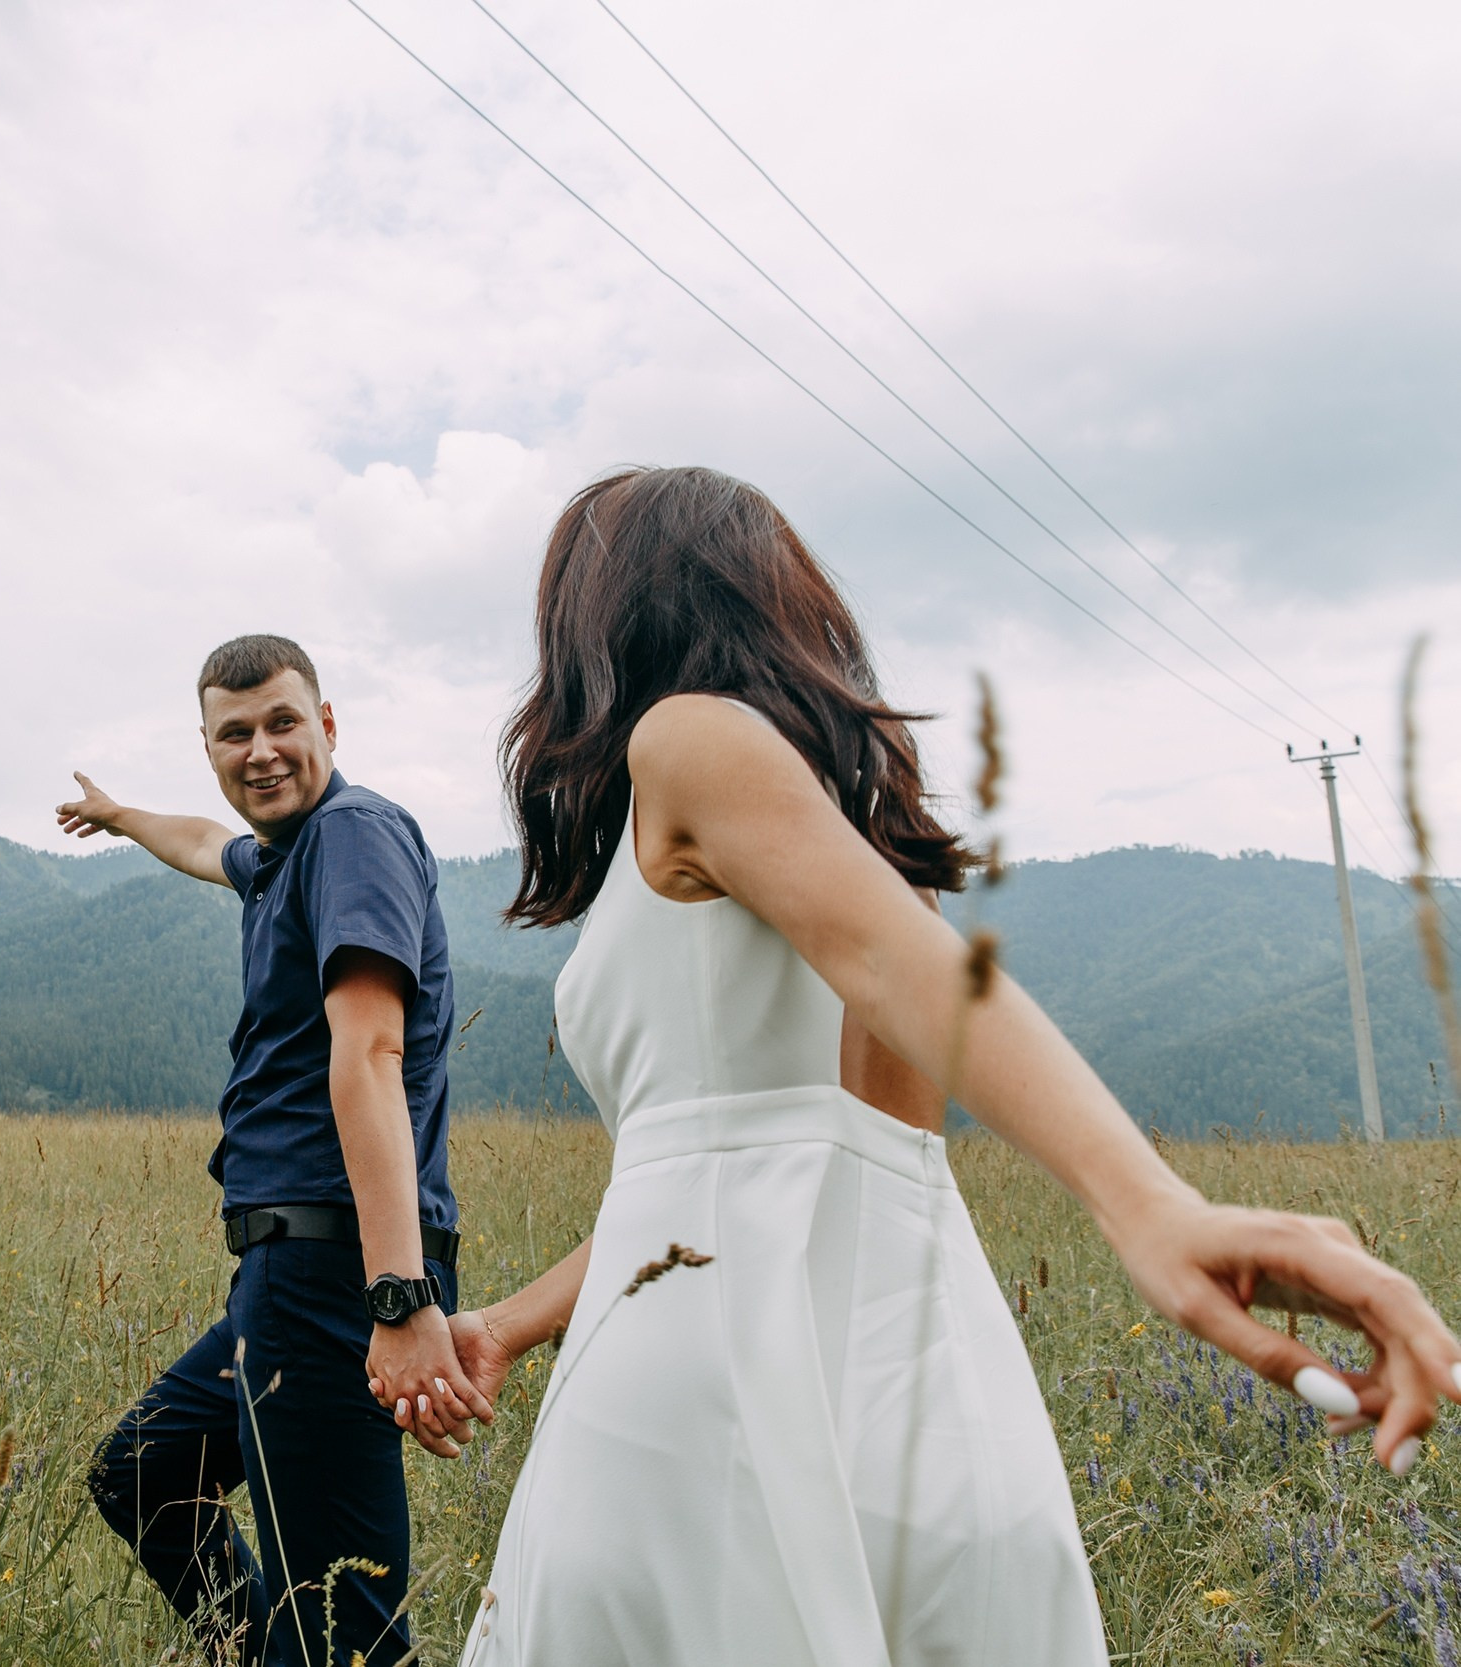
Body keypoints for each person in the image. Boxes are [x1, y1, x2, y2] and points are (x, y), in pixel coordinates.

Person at [402, 467, 1461, 1666]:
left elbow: (831, 1062)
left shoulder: (680, 741)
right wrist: (510, 1324)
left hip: (702, 1397)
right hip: (915, 1374)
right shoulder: (860, 841)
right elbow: (774, 1167)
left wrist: (1155, 1204)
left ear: (596, 618)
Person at [58, 633, 491, 1667]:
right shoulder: (285, 855)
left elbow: (371, 1050)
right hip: (286, 1270)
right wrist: (120, 816)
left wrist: (397, 1296)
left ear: (328, 724)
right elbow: (206, 842)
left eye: (282, 722)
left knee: (340, 1623)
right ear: (208, 746)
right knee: (146, 1470)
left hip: (335, 1266)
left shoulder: (352, 835)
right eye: (234, 732)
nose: (260, 749)